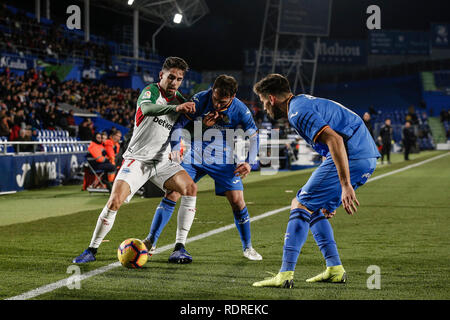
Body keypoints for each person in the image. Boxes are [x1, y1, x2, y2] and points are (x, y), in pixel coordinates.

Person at [251, 74, 380, 288]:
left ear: (272, 98)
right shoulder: (303, 102)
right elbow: (330, 141)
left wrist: (345, 185)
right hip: (364, 157)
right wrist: (332, 195)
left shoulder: (297, 111)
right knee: (316, 209)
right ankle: (335, 269)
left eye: (263, 102)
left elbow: (335, 139)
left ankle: (285, 274)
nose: (263, 107)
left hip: (353, 156)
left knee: (299, 204)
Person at [73, 57, 197, 264]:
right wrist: (176, 109)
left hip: (162, 161)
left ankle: (180, 247)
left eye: (179, 79)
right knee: (114, 201)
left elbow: (190, 123)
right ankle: (91, 250)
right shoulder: (151, 91)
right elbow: (148, 109)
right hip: (137, 160)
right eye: (171, 77)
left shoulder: (180, 99)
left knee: (189, 188)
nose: (174, 82)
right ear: (161, 76)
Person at [143, 75, 262, 263]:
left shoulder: (240, 109)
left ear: (232, 97)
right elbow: (178, 125)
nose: (216, 104)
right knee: (172, 193)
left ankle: (248, 247)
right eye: (214, 99)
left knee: (238, 201)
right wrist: (175, 148)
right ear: (212, 91)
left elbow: (255, 137)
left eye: (222, 102)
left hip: (223, 159)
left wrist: (249, 162)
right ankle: (151, 241)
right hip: (195, 155)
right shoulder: (199, 99)